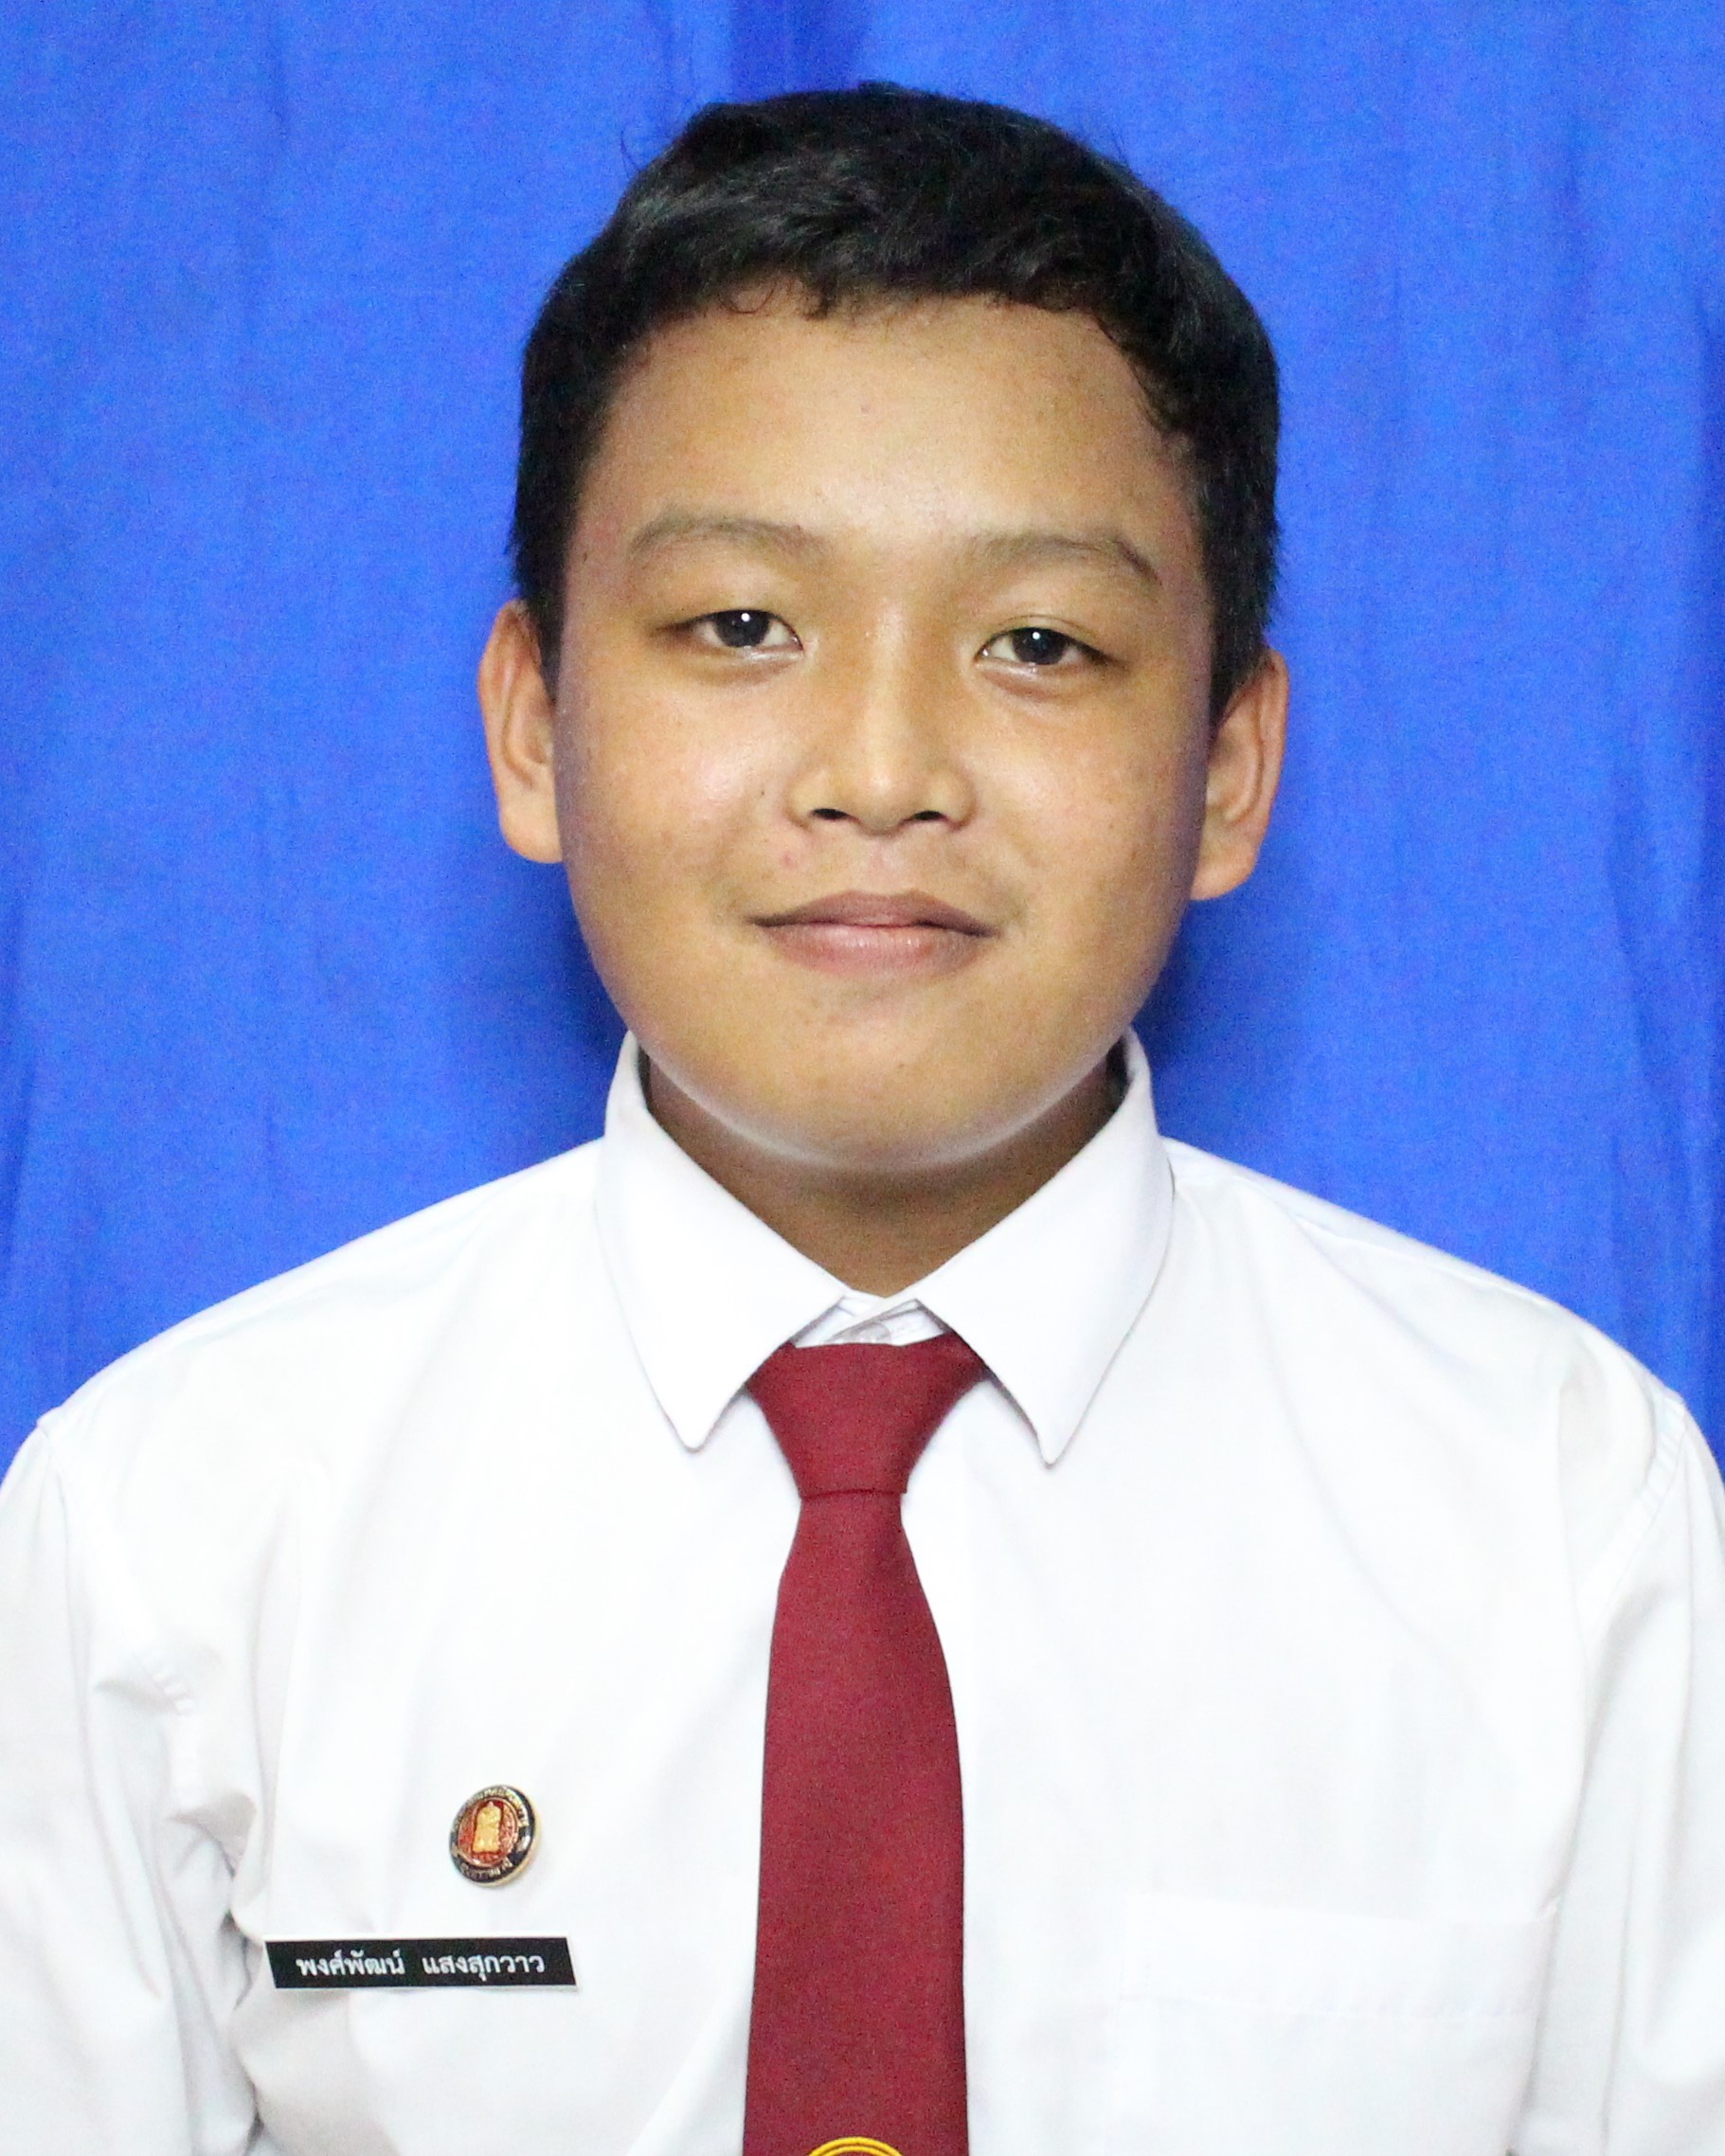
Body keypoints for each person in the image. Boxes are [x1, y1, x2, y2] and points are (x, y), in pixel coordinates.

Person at [1, 82, 1721, 2156]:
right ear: (533, 724)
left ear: (1228, 770)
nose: (882, 768)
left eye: (1037, 642)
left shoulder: (1558, 1522)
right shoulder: (175, 1535)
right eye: (741, 626)